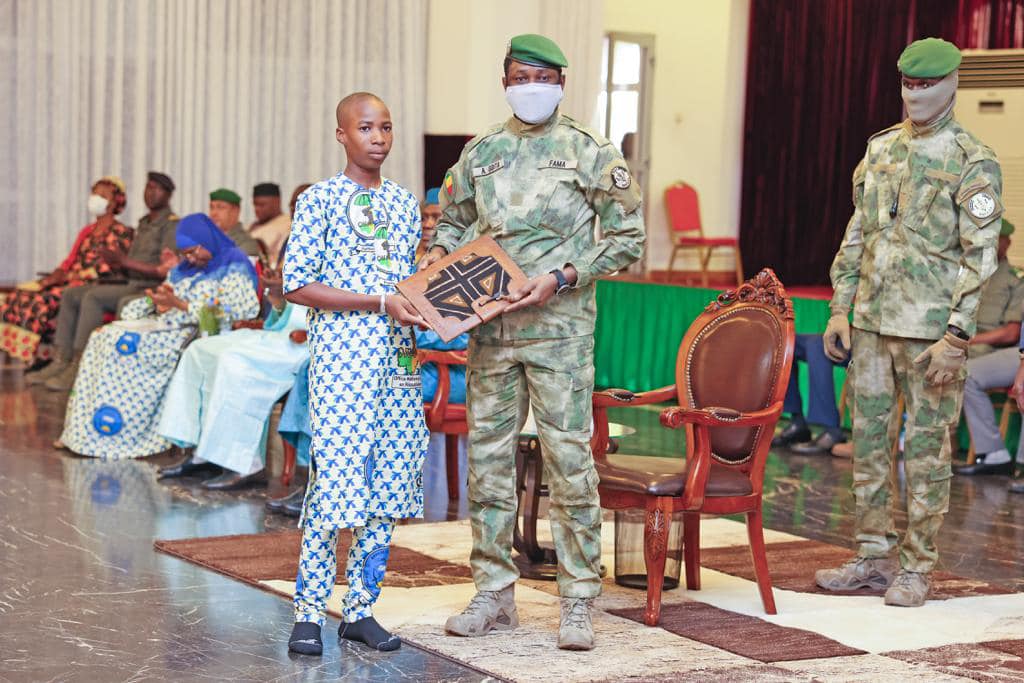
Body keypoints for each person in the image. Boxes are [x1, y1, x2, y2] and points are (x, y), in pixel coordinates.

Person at [421, 34, 645, 650]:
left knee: (569, 462)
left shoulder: (590, 151)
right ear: (505, 81)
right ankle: (493, 591)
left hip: (561, 332)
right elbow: (456, 219)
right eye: (521, 75)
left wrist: (564, 275)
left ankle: (578, 598)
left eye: (544, 76)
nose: (532, 85)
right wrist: (439, 260)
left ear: (562, 83)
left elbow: (628, 235)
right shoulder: (482, 151)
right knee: (488, 463)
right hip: (490, 332)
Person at [816, 38, 1003, 608]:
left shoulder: (973, 160)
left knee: (926, 452)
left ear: (951, 84)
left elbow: (981, 256)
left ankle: (918, 567)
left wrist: (958, 335)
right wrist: (840, 308)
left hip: (931, 338)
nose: (916, 94)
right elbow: (857, 235)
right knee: (867, 445)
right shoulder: (880, 151)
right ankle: (873, 555)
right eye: (909, 84)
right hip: (870, 325)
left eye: (927, 85)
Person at [281, 92, 429, 656]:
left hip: (399, 362)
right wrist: (378, 302)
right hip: (344, 359)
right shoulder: (319, 199)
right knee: (337, 485)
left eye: (386, 127)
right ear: (342, 135)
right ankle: (309, 613)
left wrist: (431, 308)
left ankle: (361, 611)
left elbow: (406, 286)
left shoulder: (404, 202)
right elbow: (296, 284)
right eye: (366, 127)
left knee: (390, 485)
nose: (378, 137)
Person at [58, 214, 260, 459]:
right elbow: (162, 299)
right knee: (103, 336)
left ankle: (124, 435)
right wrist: (156, 302)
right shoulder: (183, 270)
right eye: (185, 254)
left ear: (208, 240)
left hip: (194, 333)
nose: (191, 259)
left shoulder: (233, 266)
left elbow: (242, 310)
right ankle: (83, 432)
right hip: (164, 325)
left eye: (194, 252)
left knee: (128, 347)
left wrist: (183, 305)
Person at [39, 171, 180, 391]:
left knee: (93, 298)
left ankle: (80, 366)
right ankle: (60, 359)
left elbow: (165, 271)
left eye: (156, 188)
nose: (150, 193)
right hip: (129, 282)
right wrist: (117, 263)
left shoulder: (172, 225)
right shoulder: (144, 223)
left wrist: (124, 261)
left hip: (151, 287)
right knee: (71, 294)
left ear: (168, 194)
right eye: (147, 187)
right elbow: (130, 262)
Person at [1, 176, 133, 365]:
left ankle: (57, 359)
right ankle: (40, 356)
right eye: (94, 193)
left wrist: (73, 276)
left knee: (41, 301)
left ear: (115, 203)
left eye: (103, 195)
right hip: (69, 281)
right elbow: (70, 261)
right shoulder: (88, 231)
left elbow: (112, 268)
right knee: (19, 295)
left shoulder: (121, 231)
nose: (96, 198)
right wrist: (53, 277)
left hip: (92, 285)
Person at [955, 218, 1024, 476]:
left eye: (995, 239)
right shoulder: (972, 275)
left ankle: (1013, 462)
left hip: (1001, 348)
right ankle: (990, 453)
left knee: (964, 369)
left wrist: (971, 341)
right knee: (944, 366)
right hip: (967, 342)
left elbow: (1011, 332)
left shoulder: (1015, 280)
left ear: (1006, 243)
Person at [772, 334, 849, 454]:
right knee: (786, 342)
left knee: (817, 345)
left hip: (869, 342)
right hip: (850, 335)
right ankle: (797, 423)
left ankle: (833, 432)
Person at [208, 188, 261, 257]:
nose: (213, 213)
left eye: (220, 207)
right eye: (211, 207)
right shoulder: (207, 238)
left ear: (235, 211)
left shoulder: (246, 243)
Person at [249, 182, 292, 268]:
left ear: (277, 202)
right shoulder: (253, 225)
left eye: (262, 205)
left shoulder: (287, 224)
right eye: (255, 205)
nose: (256, 209)